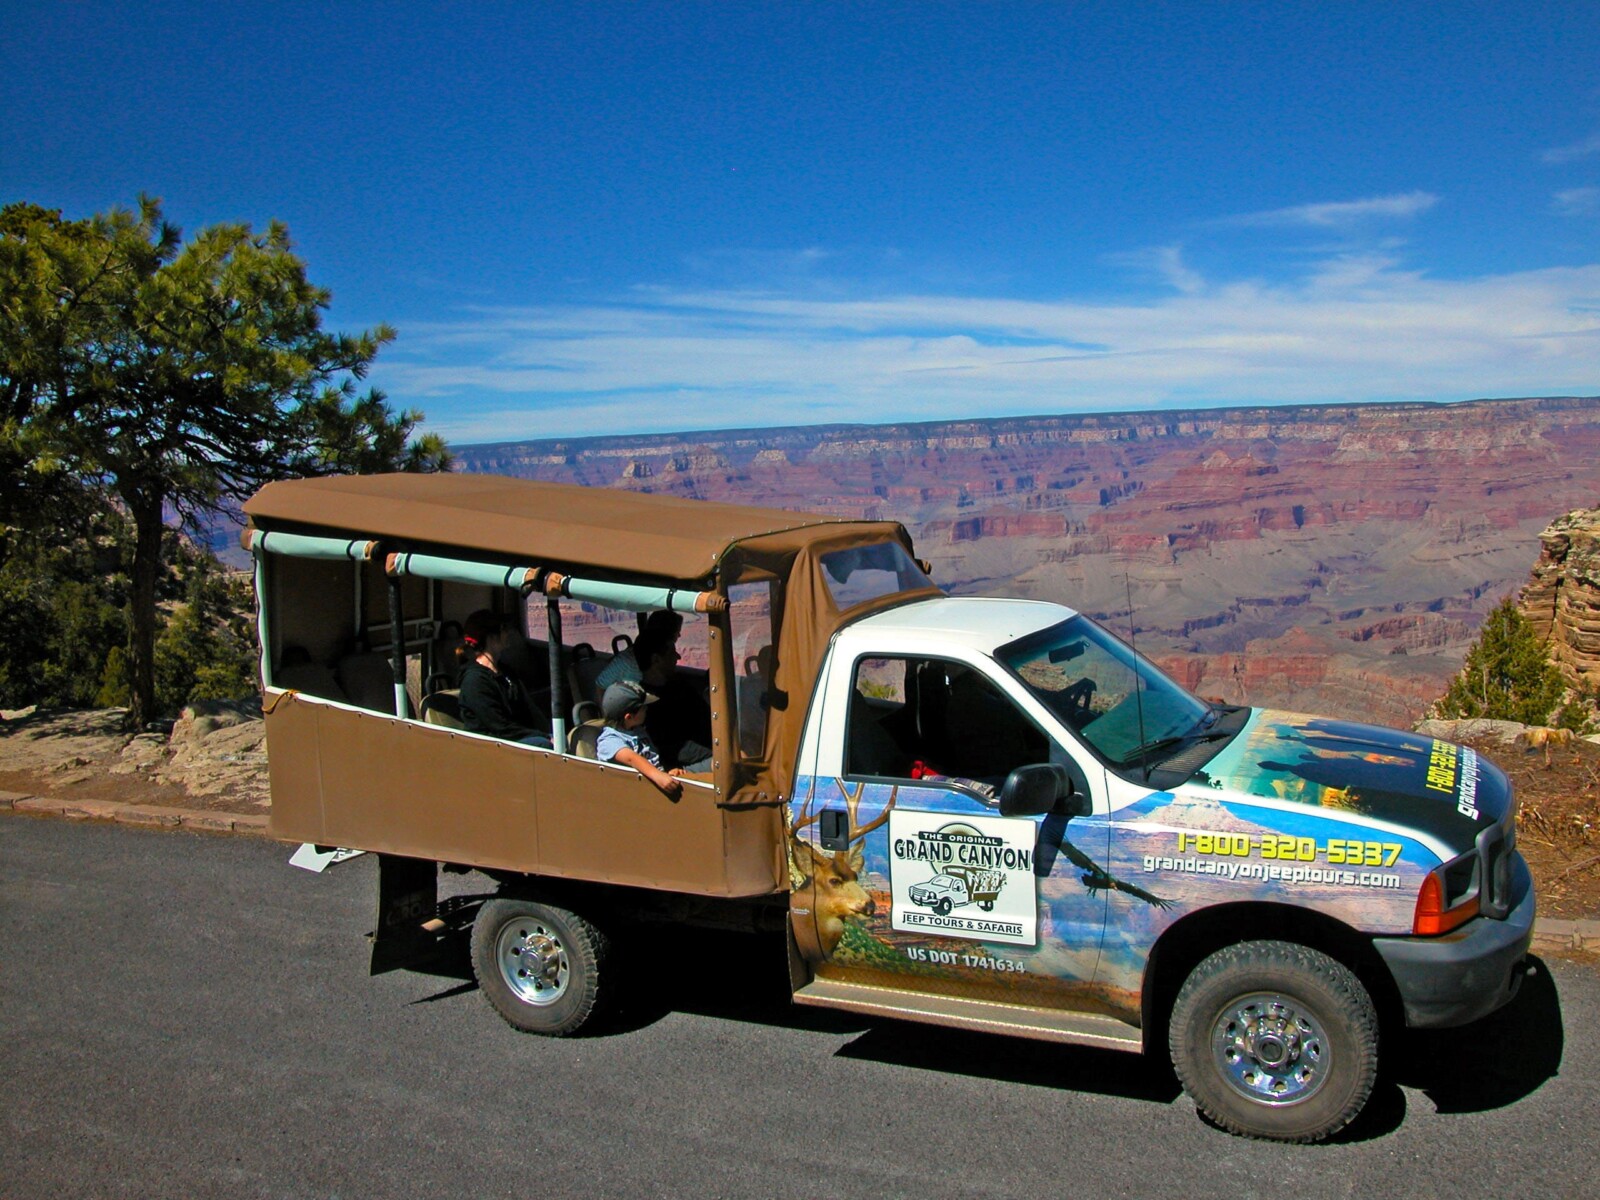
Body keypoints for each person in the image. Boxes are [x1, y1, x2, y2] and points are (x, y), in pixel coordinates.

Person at [456, 609, 553, 749]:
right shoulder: (475, 681)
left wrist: (547, 733)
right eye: (503, 630)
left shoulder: (505, 671)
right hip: (492, 746)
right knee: (543, 745)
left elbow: (527, 708)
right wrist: (544, 737)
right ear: (491, 637)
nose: (507, 634)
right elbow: (499, 727)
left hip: (513, 738)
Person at [596, 680, 685, 798]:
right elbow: (631, 758)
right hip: (640, 791)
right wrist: (658, 776)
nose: (646, 709)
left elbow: (653, 758)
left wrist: (667, 772)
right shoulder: (608, 741)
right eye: (643, 708)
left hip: (659, 780)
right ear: (629, 717)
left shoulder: (637, 730)